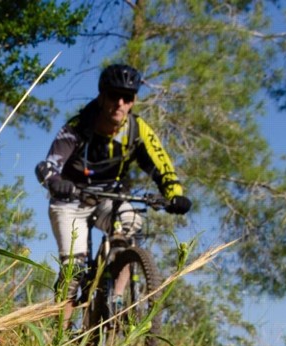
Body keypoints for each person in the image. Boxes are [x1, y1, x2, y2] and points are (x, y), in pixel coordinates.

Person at [34, 63, 191, 305]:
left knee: (131, 227)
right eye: (113, 95)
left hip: (110, 198)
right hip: (71, 198)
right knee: (73, 271)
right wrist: (55, 181)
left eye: (126, 97)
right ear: (101, 96)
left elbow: (163, 167)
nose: (120, 102)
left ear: (133, 100)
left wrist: (174, 194)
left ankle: (114, 299)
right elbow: (49, 165)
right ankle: (61, 335)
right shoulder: (78, 127)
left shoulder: (138, 130)